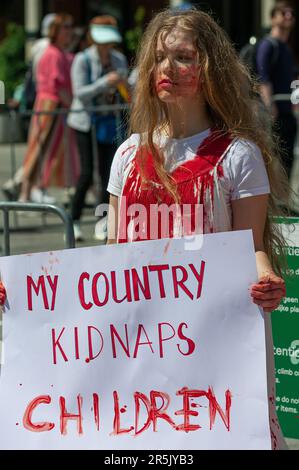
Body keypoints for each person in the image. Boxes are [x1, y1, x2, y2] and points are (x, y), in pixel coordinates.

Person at [106, 8, 289, 449]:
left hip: (216, 340)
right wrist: (27, 296)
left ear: (209, 68)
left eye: (183, 57)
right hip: (142, 340)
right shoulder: (127, 156)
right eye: (159, 57)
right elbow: (108, 257)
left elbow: (252, 248)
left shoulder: (238, 157)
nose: (168, 68)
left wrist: (266, 278)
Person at [67, 16, 128, 242]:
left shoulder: (118, 58)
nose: (107, 45)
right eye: (103, 40)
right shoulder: (82, 60)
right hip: (85, 123)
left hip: (109, 123)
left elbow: (127, 88)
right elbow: (80, 92)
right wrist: (106, 82)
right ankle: (73, 220)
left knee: (107, 174)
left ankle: (102, 220)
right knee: (86, 173)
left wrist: (125, 83)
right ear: (94, 38)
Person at [19, 13, 80, 204]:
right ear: (56, 31)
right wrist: (73, 105)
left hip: (54, 106)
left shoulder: (60, 52)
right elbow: (58, 86)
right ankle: (26, 193)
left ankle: (33, 190)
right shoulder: (53, 53)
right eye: (66, 27)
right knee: (39, 149)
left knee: (47, 151)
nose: (70, 31)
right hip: (50, 106)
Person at [256, 1, 297, 180]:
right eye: (283, 13)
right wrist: (269, 107)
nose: (288, 16)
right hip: (274, 114)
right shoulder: (268, 45)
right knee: (273, 162)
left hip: (288, 113)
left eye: (291, 13)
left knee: (287, 161)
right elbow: (262, 78)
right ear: (273, 18)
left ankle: (284, 203)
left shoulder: (287, 49)